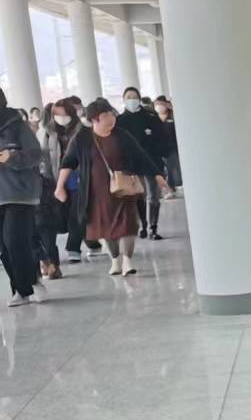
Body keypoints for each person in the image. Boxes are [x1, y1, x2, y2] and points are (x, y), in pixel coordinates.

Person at [54, 97, 167, 277]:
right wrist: (59, 187)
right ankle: (115, 260)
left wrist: (157, 175)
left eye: (111, 113)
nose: (111, 118)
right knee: (106, 227)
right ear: (94, 119)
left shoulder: (122, 135)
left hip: (124, 190)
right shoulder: (82, 138)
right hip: (96, 192)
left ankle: (127, 262)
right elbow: (68, 162)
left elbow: (140, 156)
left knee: (128, 225)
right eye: (105, 115)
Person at [0, 87, 45, 306]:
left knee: (14, 241)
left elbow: (36, 155)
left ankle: (26, 287)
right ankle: (20, 287)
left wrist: (12, 157)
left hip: (19, 194)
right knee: (3, 246)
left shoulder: (16, 125)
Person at [37, 97, 91, 268]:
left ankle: (73, 248)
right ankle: (87, 242)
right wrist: (46, 177)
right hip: (55, 177)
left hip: (78, 176)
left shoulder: (83, 131)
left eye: (63, 114)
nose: (60, 117)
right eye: (57, 114)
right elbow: (44, 156)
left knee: (79, 212)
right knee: (60, 214)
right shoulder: (48, 132)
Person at [117, 86, 170, 239]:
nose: (131, 100)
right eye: (128, 97)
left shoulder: (151, 117)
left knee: (154, 195)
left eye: (134, 96)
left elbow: (162, 138)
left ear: (139, 98)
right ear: (124, 100)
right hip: (132, 165)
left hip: (153, 162)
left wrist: (159, 153)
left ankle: (154, 226)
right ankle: (143, 225)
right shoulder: (120, 120)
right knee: (139, 195)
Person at [154, 97, 181, 195]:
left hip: (172, 148)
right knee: (163, 171)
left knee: (173, 169)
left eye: (161, 104)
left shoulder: (173, 116)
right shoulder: (154, 119)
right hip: (159, 149)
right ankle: (167, 189)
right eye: (157, 104)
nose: (159, 107)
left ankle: (174, 187)